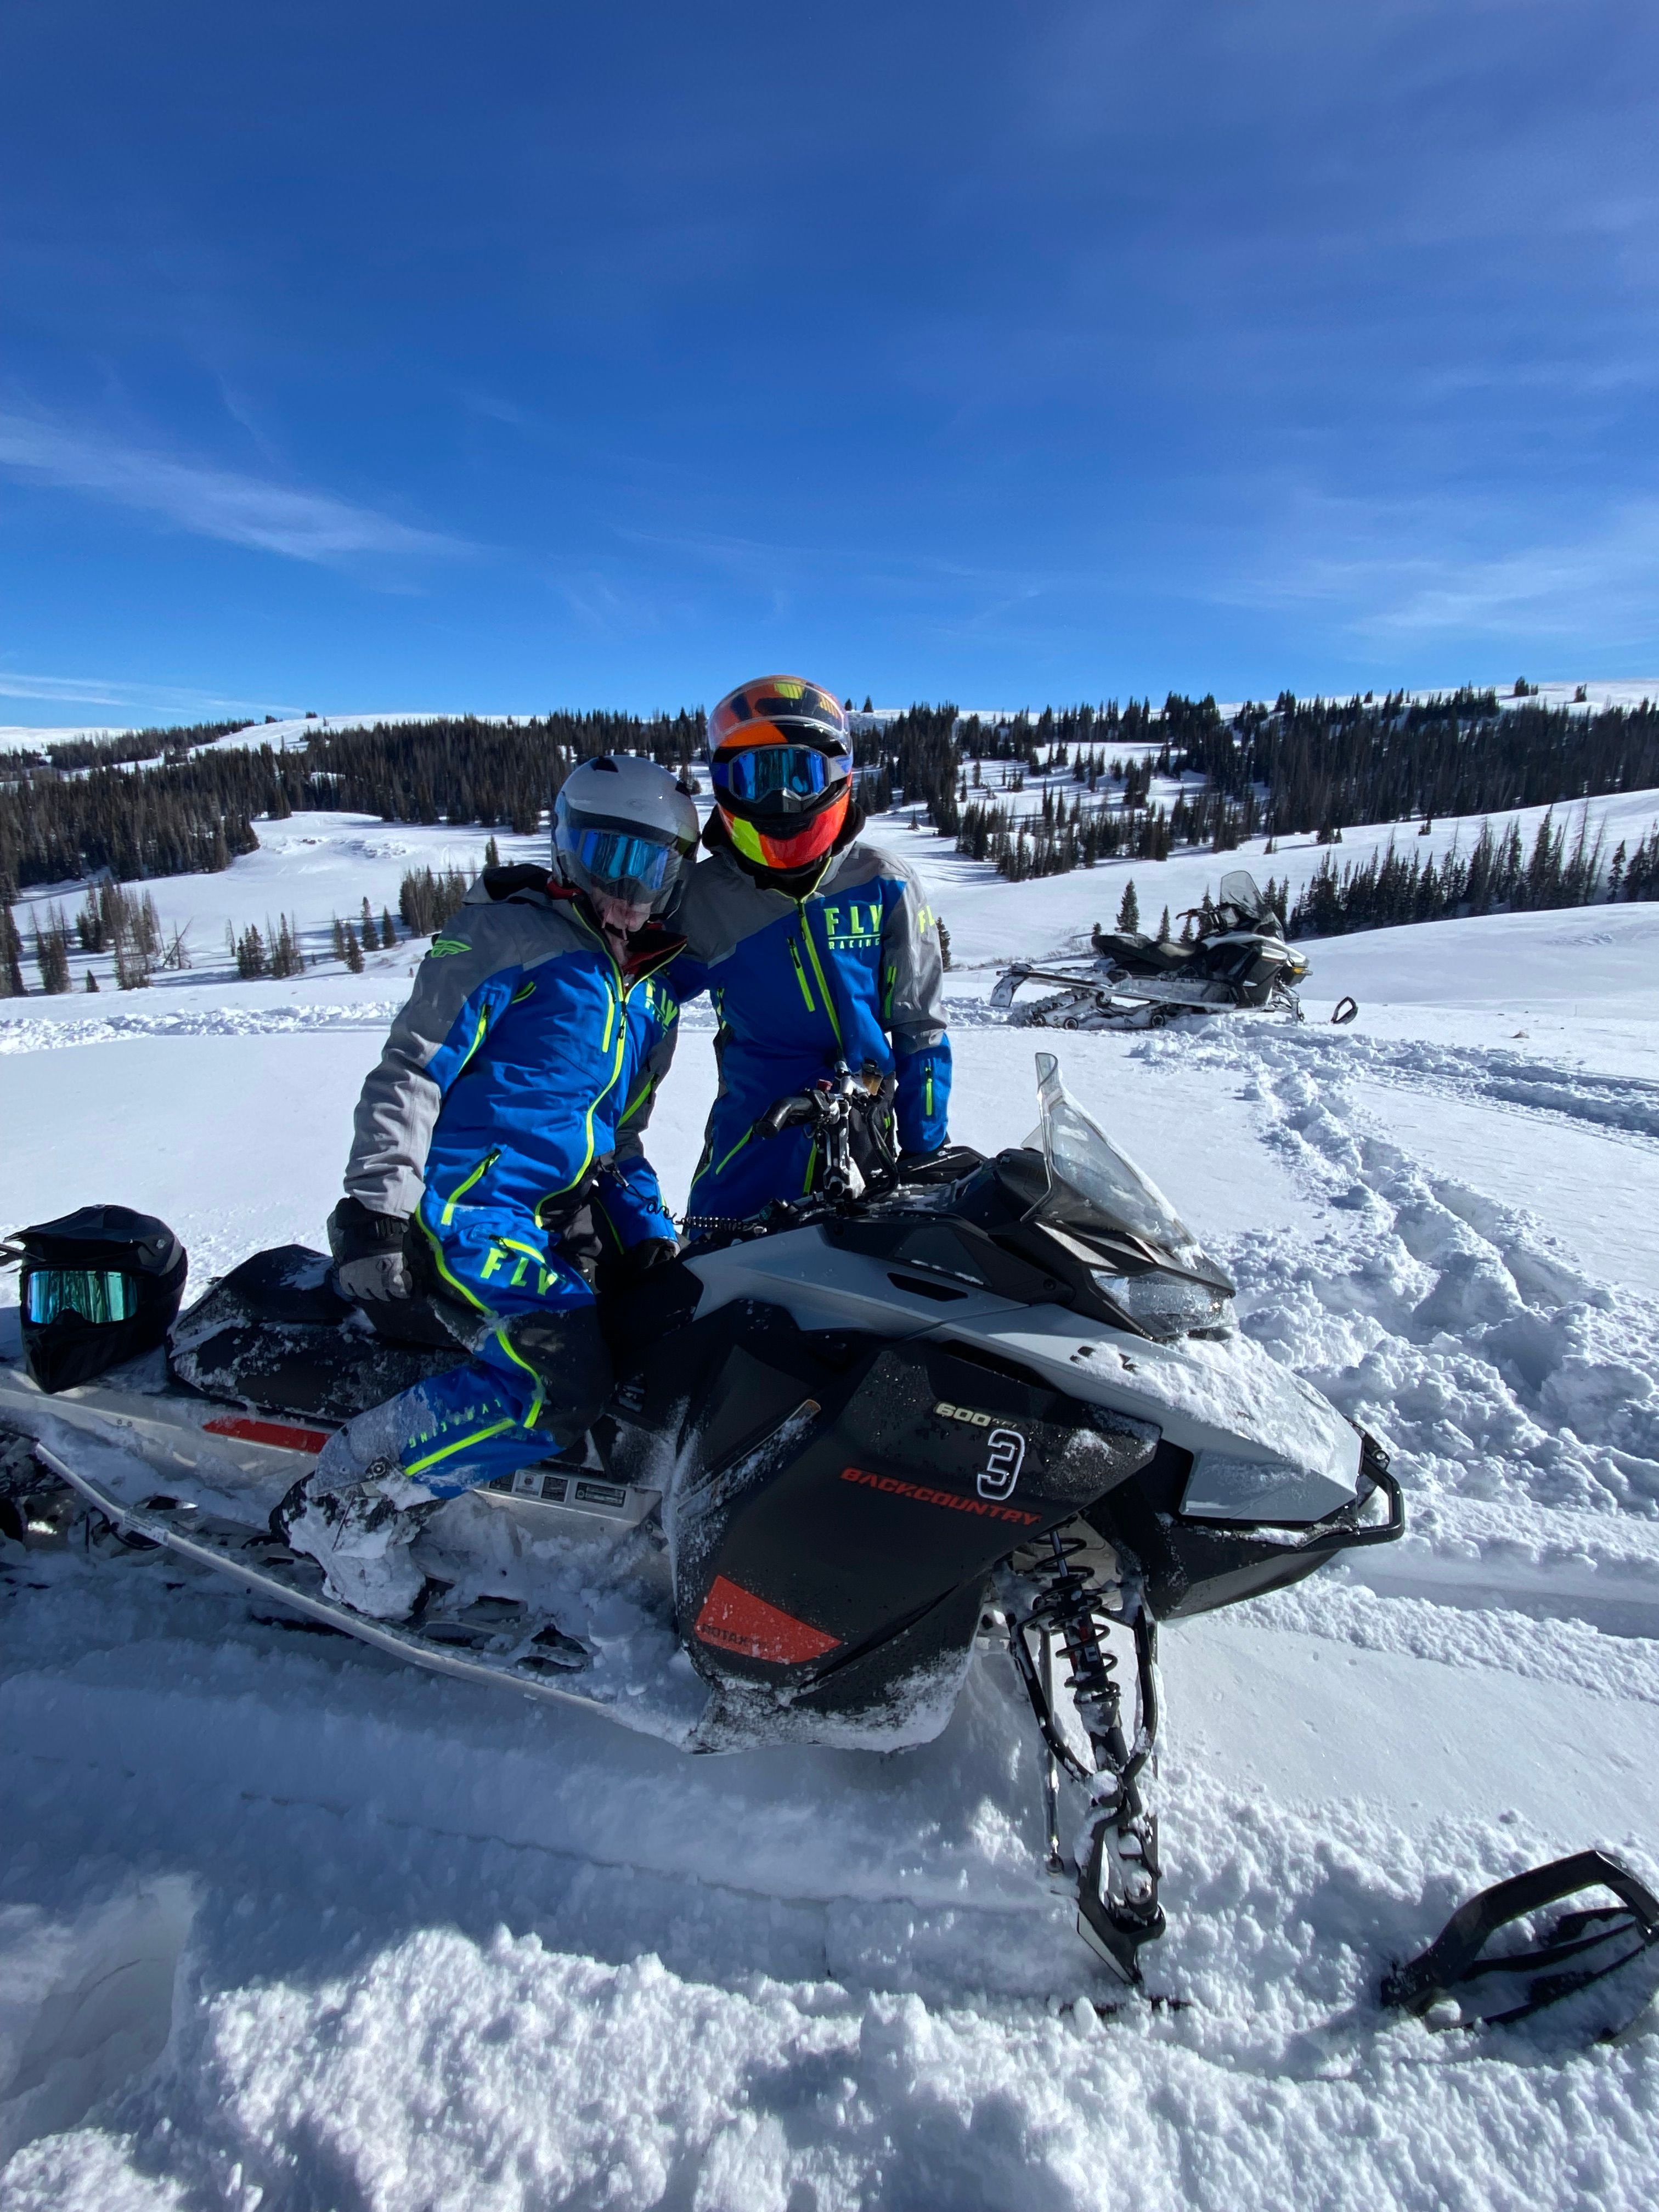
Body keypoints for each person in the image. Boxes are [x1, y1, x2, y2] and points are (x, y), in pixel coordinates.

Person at [276, 755, 698, 1621]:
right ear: (566, 849)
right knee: (559, 1379)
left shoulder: (651, 995)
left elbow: (619, 1139)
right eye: (605, 859)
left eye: (648, 870)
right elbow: (413, 1069)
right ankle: (350, 1495)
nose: (625, 893)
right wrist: (377, 1209)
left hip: (563, 1218)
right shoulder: (506, 937)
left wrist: (650, 1233)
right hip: (467, 1210)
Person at [674, 676, 951, 1226]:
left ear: (838, 774)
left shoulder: (882, 882)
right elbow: (630, 1007)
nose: (782, 799)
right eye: (757, 778)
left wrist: (925, 1149)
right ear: (726, 784)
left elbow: (921, 1025)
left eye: (800, 776)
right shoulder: (704, 899)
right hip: (756, 1135)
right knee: (713, 1283)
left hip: (867, 1137)